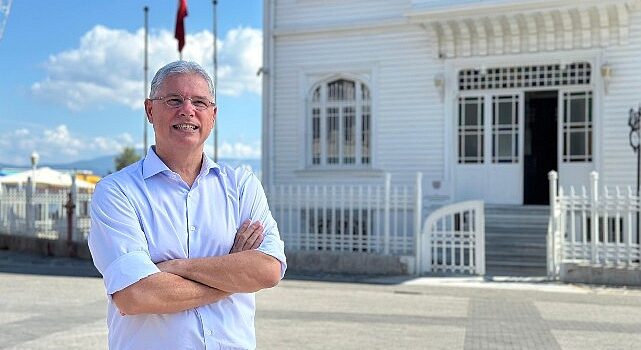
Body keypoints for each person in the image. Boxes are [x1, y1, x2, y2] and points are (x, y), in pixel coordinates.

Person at [88, 60, 286, 350]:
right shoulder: (117, 192)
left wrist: (175, 268)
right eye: (174, 100)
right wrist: (233, 274)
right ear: (150, 110)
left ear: (213, 115)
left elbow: (267, 270)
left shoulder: (241, 185)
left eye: (200, 102)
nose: (187, 109)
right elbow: (136, 295)